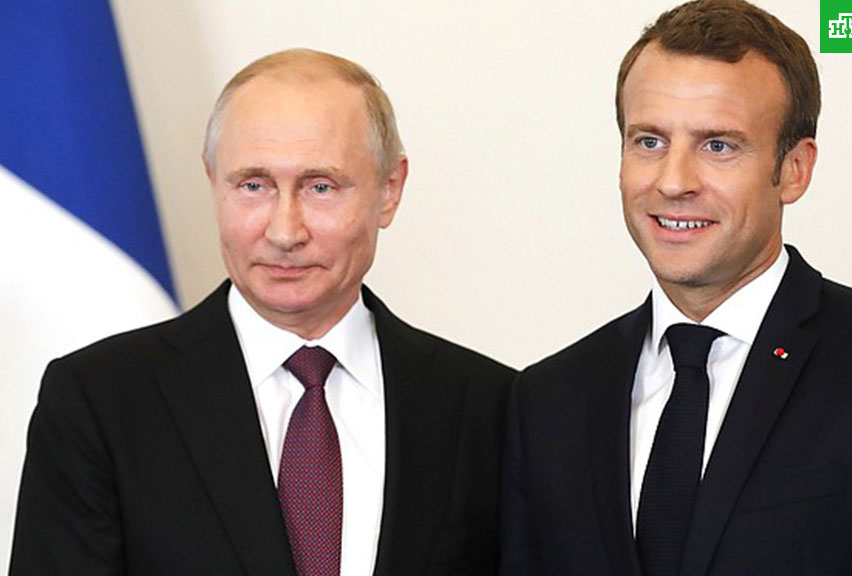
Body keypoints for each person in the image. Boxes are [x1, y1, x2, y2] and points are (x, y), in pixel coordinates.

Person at [499, 1, 852, 574]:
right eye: (649, 141)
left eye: (718, 145)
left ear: (794, 168)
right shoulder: (547, 400)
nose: (673, 181)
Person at [10, 49, 514, 576]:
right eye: (253, 185)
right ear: (213, 180)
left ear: (389, 190)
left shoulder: (491, 407)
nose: (284, 231)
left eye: (320, 187)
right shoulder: (99, 401)